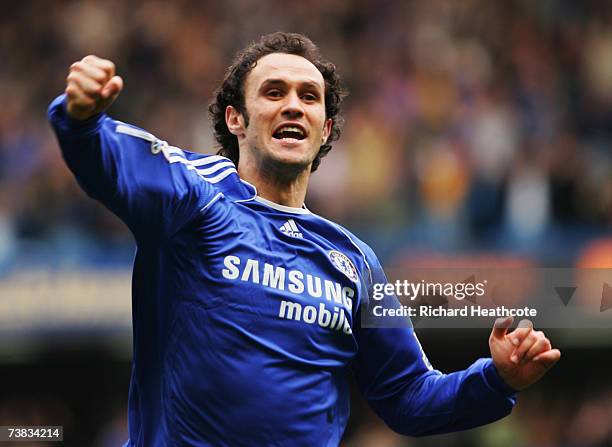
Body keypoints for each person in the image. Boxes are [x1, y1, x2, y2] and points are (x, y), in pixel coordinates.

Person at [48, 32, 560, 447]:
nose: (293, 106)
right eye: (274, 92)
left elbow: (406, 395)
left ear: (325, 127)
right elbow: (108, 163)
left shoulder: (354, 262)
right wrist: (81, 117)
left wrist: (494, 379)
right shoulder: (194, 197)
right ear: (236, 119)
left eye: (308, 97)